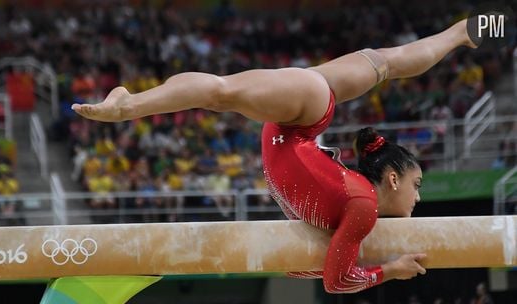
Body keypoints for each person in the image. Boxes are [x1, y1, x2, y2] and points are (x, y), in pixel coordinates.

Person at [72, 19, 477, 293]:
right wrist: (391, 270)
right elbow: (337, 283)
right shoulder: (362, 209)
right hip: (301, 116)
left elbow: (295, 266)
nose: (419, 197)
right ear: (392, 178)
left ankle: (463, 31)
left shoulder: (347, 214)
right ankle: (128, 104)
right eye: (417, 185)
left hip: (304, 116)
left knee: (386, 62)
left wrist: (375, 264)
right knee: (220, 93)